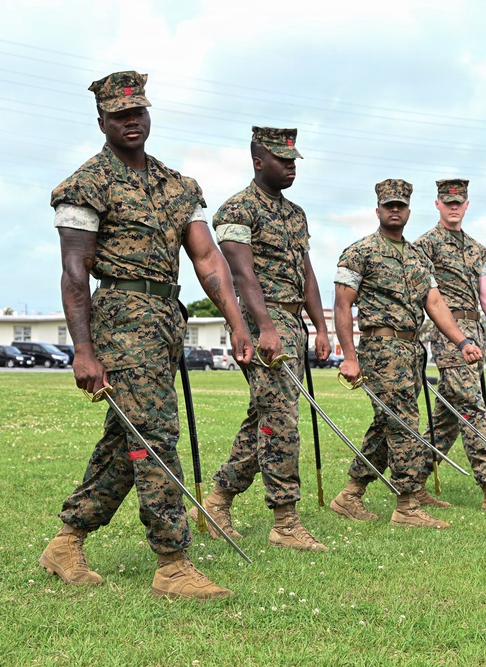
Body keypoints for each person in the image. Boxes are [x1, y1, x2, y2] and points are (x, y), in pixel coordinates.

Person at [41, 71, 253, 600]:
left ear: (148, 115)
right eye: (119, 115)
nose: (131, 121)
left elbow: (207, 259)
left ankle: (67, 541)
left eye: (138, 112)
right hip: (119, 321)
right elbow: (74, 271)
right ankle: (173, 563)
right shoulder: (85, 183)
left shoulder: (179, 186)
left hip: (164, 322)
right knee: (155, 437)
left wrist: (237, 320)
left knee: (127, 439)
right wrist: (83, 351)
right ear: (102, 122)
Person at [193, 127, 332, 553]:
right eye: (282, 160)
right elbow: (242, 274)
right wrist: (266, 326)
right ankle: (285, 521)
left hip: (293, 325)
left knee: (265, 418)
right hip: (262, 324)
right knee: (281, 422)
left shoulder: (296, 214)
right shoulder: (237, 209)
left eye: (294, 161)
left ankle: (216, 501)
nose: (291, 167)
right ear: (258, 161)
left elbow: (306, 274)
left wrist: (321, 326)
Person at [329, 179, 484, 528]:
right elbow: (342, 305)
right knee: (404, 424)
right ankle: (407, 505)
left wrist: (462, 342)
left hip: (412, 350)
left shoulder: (417, 256)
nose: (394, 210)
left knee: (389, 423)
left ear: (409, 210)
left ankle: (351, 494)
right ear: (378, 210)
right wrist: (350, 358)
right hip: (380, 348)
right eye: (388, 206)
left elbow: (435, 303)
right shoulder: (360, 251)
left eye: (400, 205)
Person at [412, 179, 486, 516]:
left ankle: (411, 483)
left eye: (459, 202)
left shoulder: (477, 249)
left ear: (467, 205)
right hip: (449, 335)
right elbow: (426, 296)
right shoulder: (425, 245)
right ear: (437, 204)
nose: (454, 206)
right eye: (447, 201)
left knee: (447, 419)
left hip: (475, 332)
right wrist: (457, 338)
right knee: (473, 407)